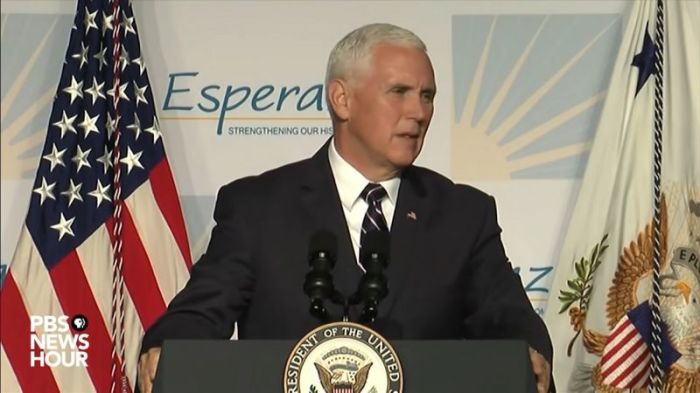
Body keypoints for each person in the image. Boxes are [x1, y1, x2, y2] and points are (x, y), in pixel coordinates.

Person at [138, 23, 553, 393]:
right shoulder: (258, 207)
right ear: (342, 99)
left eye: (427, 96)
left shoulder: (463, 214)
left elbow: (507, 316)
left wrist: (529, 350)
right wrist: (167, 347)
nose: (420, 112)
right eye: (400, 93)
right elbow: (201, 310)